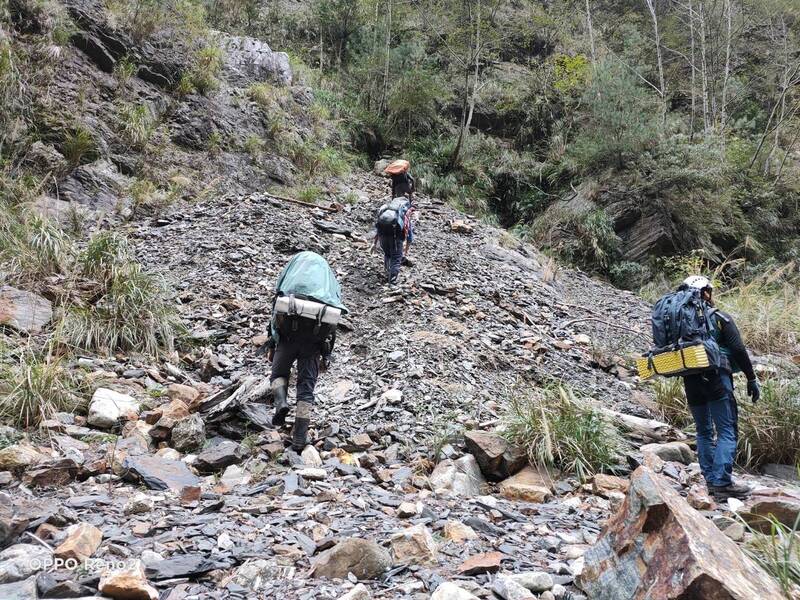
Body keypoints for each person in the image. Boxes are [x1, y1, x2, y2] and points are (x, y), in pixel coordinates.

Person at [679, 275, 760, 498]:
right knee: (726, 429)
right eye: (709, 291)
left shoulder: (679, 320)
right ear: (705, 293)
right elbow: (739, 350)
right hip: (716, 377)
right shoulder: (718, 318)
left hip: (691, 379)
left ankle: (710, 479)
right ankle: (722, 482)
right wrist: (751, 378)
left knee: (703, 431)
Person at [265, 251, 347, 450]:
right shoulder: (328, 282)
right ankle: (300, 437)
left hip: (287, 338)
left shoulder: (290, 277)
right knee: (306, 388)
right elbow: (332, 327)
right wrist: (326, 355)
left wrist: (272, 342)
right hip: (313, 343)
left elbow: (275, 312)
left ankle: (281, 403)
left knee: (278, 374)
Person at [373, 197, 415, 285]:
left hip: (383, 236)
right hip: (396, 237)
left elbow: (377, 228)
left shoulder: (386, 210)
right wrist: (406, 251)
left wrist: (375, 243)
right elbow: (409, 236)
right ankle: (392, 282)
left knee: (387, 254)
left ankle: (387, 273)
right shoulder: (403, 215)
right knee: (396, 258)